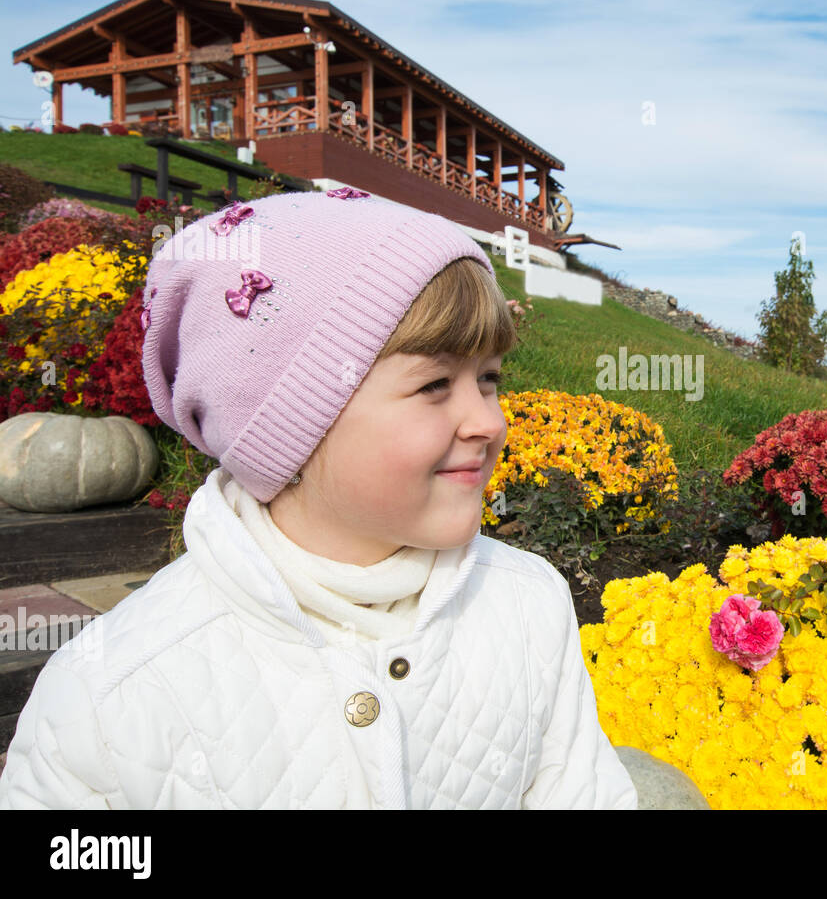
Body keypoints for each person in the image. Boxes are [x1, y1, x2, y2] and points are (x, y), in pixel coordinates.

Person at [0, 188, 637, 809]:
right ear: (293, 428)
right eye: (436, 383)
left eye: (489, 379)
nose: (490, 422)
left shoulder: (527, 604)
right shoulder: (109, 697)